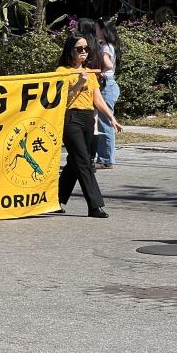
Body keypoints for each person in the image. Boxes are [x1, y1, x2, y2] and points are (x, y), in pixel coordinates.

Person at [56, 33, 123, 218]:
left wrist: (111, 117)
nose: (84, 52)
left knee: (74, 162)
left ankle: (55, 199)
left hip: (87, 118)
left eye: (86, 48)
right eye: (79, 49)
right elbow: (61, 99)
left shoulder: (90, 72)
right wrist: (78, 83)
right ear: (71, 50)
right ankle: (95, 205)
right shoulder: (62, 71)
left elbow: (97, 98)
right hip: (70, 118)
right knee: (84, 162)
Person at [94, 18, 121, 169]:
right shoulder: (109, 46)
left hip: (107, 86)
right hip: (110, 85)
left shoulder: (105, 48)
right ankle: (103, 158)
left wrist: (100, 72)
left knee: (105, 123)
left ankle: (106, 160)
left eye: (97, 28)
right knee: (103, 122)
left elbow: (109, 64)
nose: (95, 31)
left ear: (103, 30)